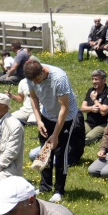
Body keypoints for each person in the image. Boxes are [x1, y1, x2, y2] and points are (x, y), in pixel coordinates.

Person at [25, 56, 84, 200]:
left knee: (60, 152)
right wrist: (39, 121)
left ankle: (59, 190)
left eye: (37, 80)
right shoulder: (30, 75)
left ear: (43, 72)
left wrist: (56, 134)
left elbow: (64, 107)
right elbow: (33, 98)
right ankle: (45, 186)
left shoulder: (59, 78)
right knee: (44, 150)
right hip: (46, 115)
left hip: (66, 117)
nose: (35, 83)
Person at [79, 69, 108, 147]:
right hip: (89, 122)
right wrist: (91, 108)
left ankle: (101, 135)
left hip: (102, 124)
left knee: (88, 138)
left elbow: (104, 112)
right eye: (93, 79)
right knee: (77, 132)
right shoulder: (91, 90)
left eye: (96, 79)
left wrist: (94, 99)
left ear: (104, 80)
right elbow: (82, 108)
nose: (94, 81)